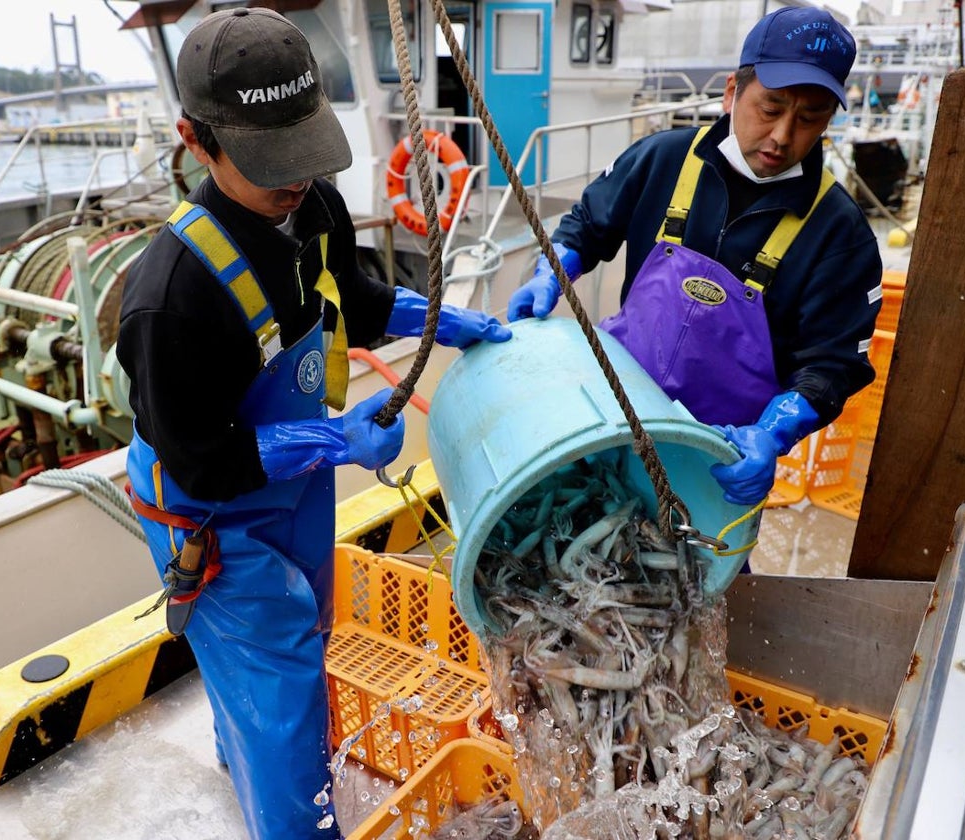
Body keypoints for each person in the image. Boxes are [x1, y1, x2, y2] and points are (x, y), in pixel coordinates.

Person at [116, 9, 510, 839]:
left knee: (301, 643)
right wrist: (337, 439)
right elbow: (201, 461)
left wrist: (436, 319)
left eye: (305, 151)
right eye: (270, 164)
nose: (295, 181)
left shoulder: (315, 205)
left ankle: (242, 767)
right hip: (208, 517)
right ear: (196, 140)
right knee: (283, 696)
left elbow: (356, 305)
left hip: (291, 489)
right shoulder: (171, 299)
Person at [508, 6, 881, 508]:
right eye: (770, 108)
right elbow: (587, 227)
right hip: (607, 418)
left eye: (809, 118)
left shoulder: (840, 233)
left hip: (712, 461)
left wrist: (770, 436)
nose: (781, 135)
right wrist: (550, 274)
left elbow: (832, 364)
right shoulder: (660, 158)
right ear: (732, 92)